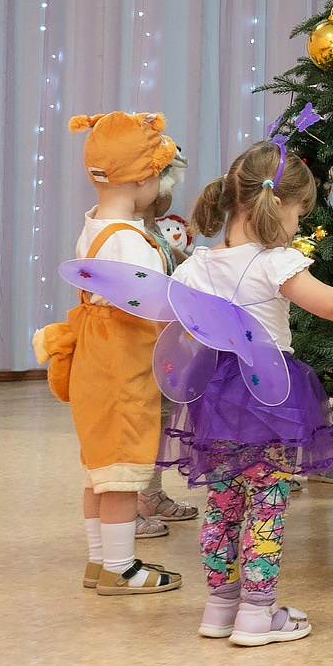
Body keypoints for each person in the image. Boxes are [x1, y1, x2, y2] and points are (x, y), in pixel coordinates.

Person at [162, 139, 333, 646]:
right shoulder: (275, 263)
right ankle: (258, 613)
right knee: (266, 504)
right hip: (266, 396)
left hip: (213, 397)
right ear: (277, 205)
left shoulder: (195, 265)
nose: (300, 224)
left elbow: (177, 328)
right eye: (301, 212)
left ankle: (219, 607)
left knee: (223, 503)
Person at [32, 111, 183, 596]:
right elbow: (153, 305)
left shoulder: (96, 225)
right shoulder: (129, 241)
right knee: (120, 472)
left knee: (99, 470)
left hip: (96, 363)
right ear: (142, 177)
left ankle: (99, 561)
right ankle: (120, 567)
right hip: (122, 367)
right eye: (158, 174)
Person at [135, 148, 198, 537]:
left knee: (160, 421)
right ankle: (134, 504)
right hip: (145, 347)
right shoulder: (133, 236)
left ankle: (151, 494)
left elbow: (180, 261)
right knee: (144, 426)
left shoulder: (153, 231)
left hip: (167, 348)